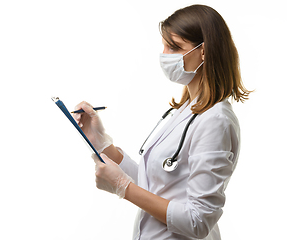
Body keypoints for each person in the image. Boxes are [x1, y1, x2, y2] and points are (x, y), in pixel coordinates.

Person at [73, 4, 251, 240]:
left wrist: (124, 188)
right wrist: (101, 143)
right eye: (164, 46)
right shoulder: (185, 110)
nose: (165, 56)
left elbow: (198, 221)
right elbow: (157, 185)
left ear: (204, 52)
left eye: (175, 47)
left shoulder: (215, 120)